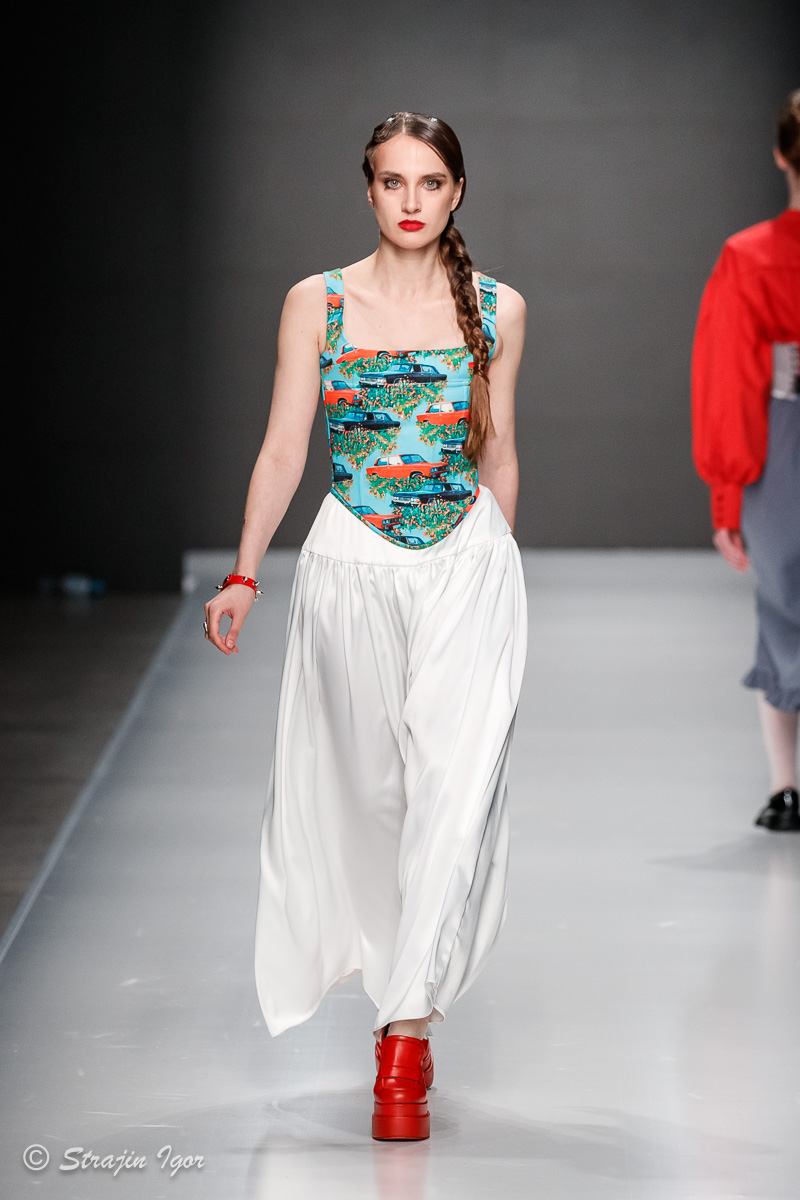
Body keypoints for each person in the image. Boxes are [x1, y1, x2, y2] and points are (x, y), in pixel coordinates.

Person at [203, 111, 528, 1139]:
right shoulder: (318, 302)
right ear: (369, 188)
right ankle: (394, 1001)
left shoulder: (498, 308)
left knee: (452, 793)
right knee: (373, 798)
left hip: (465, 566)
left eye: (430, 183)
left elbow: (497, 451)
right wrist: (244, 573)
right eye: (393, 182)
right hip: (351, 565)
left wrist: (496, 572)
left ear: (457, 191)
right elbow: (282, 447)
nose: (411, 201)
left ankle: (404, 1044)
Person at [691, 89, 800, 832]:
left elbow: (729, 383)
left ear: (781, 156)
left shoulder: (749, 256)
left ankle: (786, 788)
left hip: (783, 439)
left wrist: (727, 498)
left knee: (783, 606)